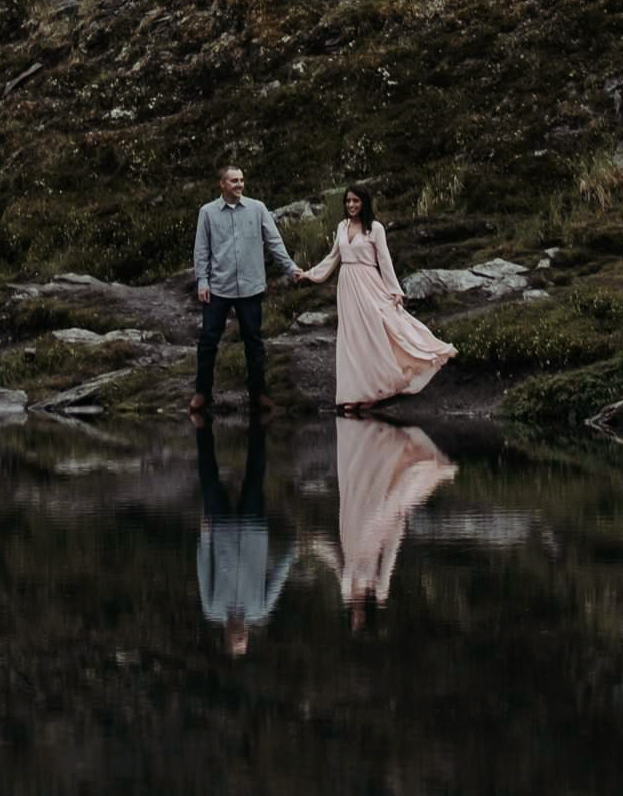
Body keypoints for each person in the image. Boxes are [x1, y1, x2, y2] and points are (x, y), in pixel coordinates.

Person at [301, 184, 455, 411]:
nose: (351, 205)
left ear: (364, 203)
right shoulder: (342, 226)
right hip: (347, 284)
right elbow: (333, 257)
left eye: (356, 201)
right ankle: (355, 393)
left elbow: (384, 260)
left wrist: (395, 291)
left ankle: (378, 389)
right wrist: (309, 274)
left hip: (369, 282)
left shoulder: (375, 228)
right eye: (348, 201)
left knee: (378, 331)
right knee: (353, 338)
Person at [312, 416, 460, 630]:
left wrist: (318, 546)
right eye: (359, 620)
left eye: (355, 619)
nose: (356, 616)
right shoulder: (379, 591)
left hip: (354, 532)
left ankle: (379, 446)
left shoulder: (347, 591)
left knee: (370, 491)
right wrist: (397, 530)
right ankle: (389, 446)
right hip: (369, 536)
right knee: (382, 496)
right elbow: (389, 560)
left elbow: (338, 563)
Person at [190, 162, 305, 422]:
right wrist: (203, 282)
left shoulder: (257, 209)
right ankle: (202, 393)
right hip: (219, 287)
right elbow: (202, 249)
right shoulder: (207, 212)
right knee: (208, 341)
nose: (239, 185)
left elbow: (274, 241)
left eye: (241, 180)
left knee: (254, 341)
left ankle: (258, 393)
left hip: (251, 286)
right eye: (234, 181)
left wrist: (291, 269)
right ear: (222, 184)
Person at [196, 420, 294, 657]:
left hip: (220, 532)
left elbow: (203, 570)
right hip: (253, 529)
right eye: (244, 639)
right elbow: (277, 580)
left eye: (238, 639)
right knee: (255, 476)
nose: (242, 634)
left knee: (209, 479)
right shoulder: (260, 610)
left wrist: (205, 538)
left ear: (227, 636)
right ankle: (259, 427)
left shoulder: (212, 609)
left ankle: (202, 429)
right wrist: (293, 550)